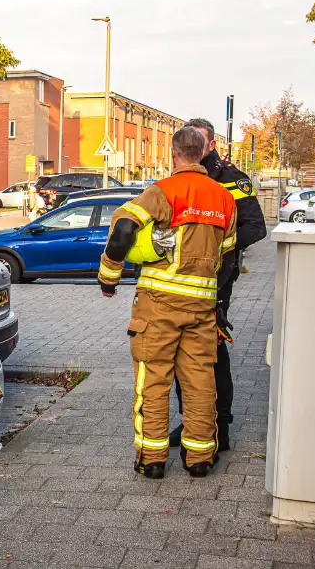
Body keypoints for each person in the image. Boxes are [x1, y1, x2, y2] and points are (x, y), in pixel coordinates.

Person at [98, 127, 237, 479]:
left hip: (159, 303)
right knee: (200, 381)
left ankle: (152, 459)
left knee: (153, 379)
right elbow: (227, 253)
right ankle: (200, 458)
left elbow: (124, 230)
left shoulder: (161, 191)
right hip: (202, 305)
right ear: (204, 153)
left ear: (173, 153)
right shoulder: (224, 198)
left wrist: (108, 277)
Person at [167, 118, 268, 452]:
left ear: (211, 145)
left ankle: (220, 425)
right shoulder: (180, 178)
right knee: (183, 355)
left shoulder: (230, 179)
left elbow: (255, 227)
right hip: (181, 280)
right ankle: (192, 421)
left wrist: (216, 246)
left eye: (200, 140)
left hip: (216, 280)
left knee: (212, 355)